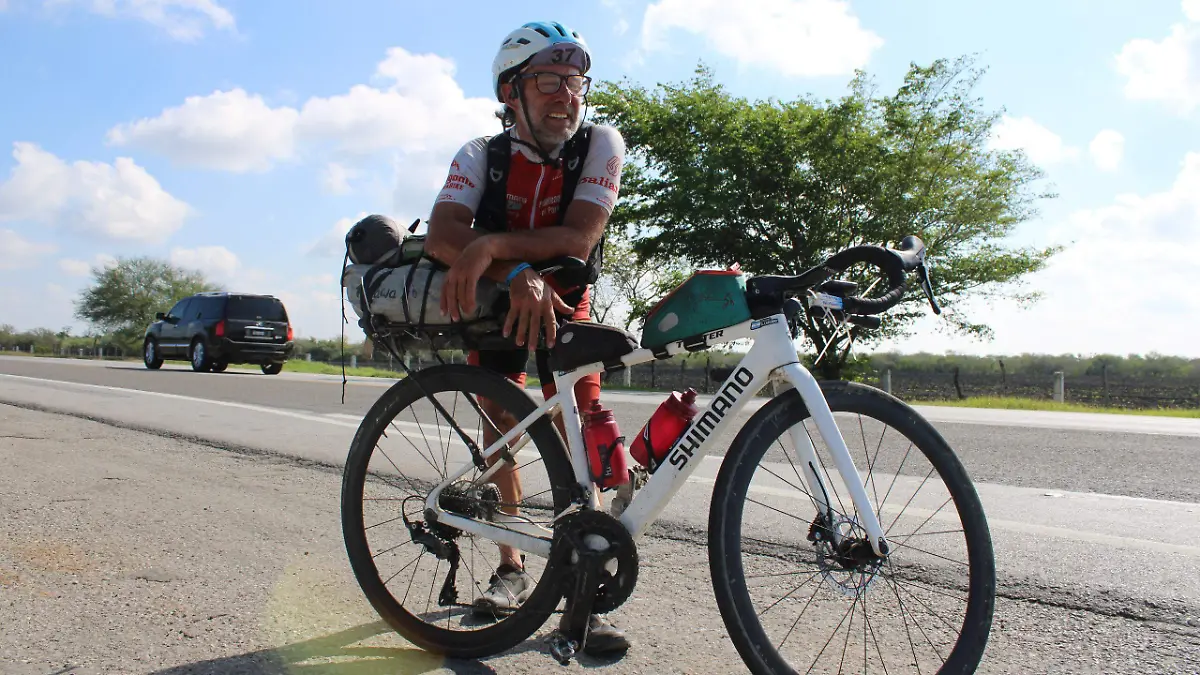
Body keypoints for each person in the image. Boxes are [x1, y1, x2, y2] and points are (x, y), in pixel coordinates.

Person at [423, 20, 630, 656]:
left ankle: (580, 583)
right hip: (494, 303)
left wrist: (492, 245)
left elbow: (577, 240)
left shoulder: (601, 144)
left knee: (580, 424)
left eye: (575, 82)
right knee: (501, 426)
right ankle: (512, 569)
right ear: (512, 91)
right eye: (549, 81)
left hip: (566, 297)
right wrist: (511, 271)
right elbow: (440, 232)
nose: (567, 95)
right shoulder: (480, 154)